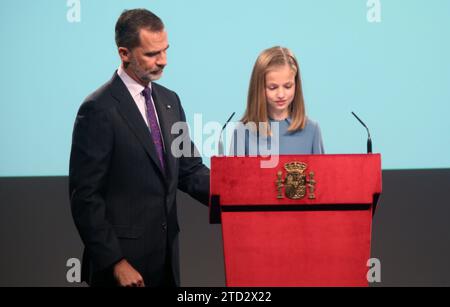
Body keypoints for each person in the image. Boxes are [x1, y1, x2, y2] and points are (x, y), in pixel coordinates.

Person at [69, 8, 210, 287]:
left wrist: (237, 194)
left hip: (166, 263)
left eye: (165, 50)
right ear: (124, 53)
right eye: (152, 54)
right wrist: (115, 263)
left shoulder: (171, 101)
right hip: (123, 270)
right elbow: (85, 197)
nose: (163, 61)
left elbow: (189, 169)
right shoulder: (98, 109)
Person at [231, 46, 324, 156]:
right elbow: (233, 173)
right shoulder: (243, 131)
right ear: (259, 88)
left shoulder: (312, 130)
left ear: (296, 85)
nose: (281, 94)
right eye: (273, 87)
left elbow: (322, 173)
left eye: (288, 86)